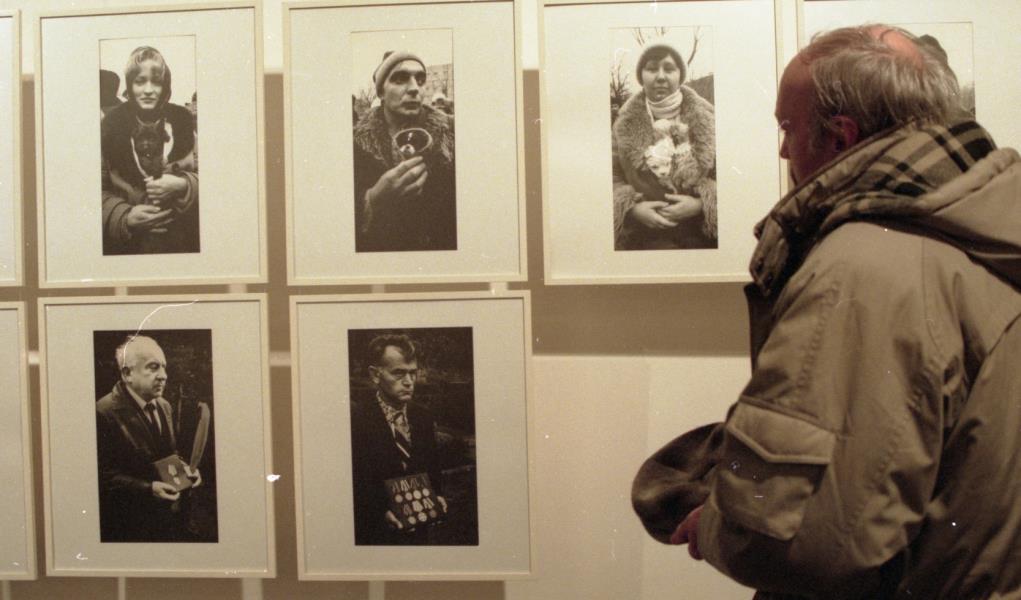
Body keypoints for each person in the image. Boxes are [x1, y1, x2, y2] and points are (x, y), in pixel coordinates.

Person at [632, 24, 1021, 599]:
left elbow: (811, 542)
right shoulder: (982, 226)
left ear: (841, 136)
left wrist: (713, 526)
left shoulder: (864, 271)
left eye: (787, 128)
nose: (783, 150)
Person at [95, 335, 202, 542]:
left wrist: (186, 470)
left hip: (167, 521)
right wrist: (148, 488)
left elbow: (168, 455)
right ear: (127, 373)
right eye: (153, 367)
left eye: (164, 367)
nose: (163, 376)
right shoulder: (102, 412)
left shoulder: (164, 406)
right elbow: (102, 477)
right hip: (128, 526)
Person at [612, 41, 717, 250]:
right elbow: (611, 176)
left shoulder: (709, 118)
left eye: (669, 69)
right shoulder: (622, 124)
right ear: (641, 75)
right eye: (652, 69)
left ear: (680, 75)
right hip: (642, 239)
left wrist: (701, 205)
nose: (660, 76)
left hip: (702, 238)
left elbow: (732, 177)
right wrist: (633, 209)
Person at [352, 51, 456, 252]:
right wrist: (372, 199)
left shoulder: (451, 134)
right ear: (381, 92)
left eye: (420, 79)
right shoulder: (355, 144)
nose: (414, 88)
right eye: (400, 79)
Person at [350, 334, 448, 545]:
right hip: (374, 535)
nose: (409, 382)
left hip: (419, 531)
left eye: (413, 373)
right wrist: (379, 512)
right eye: (399, 373)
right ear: (375, 375)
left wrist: (437, 495)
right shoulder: (355, 420)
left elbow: (432, 466)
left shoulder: (423, 416)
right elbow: (354, 481)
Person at [101, 46, 199, 255]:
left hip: (183, 245)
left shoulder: (183, 123)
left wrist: (184, 185)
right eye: (140, 81)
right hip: (128, 250)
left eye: (156, 82)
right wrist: (124, 216)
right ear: (130, 85)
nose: (148, 90)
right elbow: (93, 190)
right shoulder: (109, 127)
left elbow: (217, 179)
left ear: (165, 86)